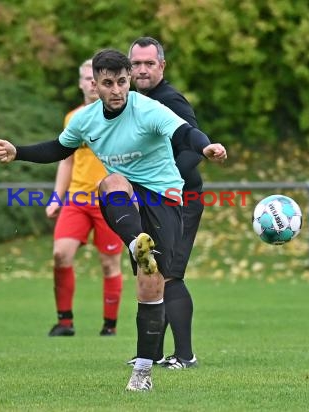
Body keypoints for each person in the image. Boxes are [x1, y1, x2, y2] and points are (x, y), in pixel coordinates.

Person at [0, 48, 227, 391]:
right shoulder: (86, 120)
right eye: (108, 83)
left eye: (121, 82)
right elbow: (58, 149)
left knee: (151, 284)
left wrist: (207, 148)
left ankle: (144, 371)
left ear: (128, 80)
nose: (116, 90)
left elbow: (184, 134)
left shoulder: (148, 108)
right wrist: (19, 153)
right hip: (128, 197)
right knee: (110, 182)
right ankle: (136, 242)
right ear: (95, 85)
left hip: (165, 198)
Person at [127, 36, 204, 369]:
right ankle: (152, 353)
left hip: (179, 199)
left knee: (170, 275)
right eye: (136, 64)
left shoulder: (170, 100)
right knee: (151, 273)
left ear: (162, 65)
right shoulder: (132, 102)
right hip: (149, 201)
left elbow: (193, 149)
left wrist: (164, 185)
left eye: (149, 63)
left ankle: (185, 355)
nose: (142, 70)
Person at [46, 59, 124, 337]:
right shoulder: (73, 118)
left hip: (110, 201)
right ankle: (64, 322)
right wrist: (57, 197)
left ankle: (109, 326)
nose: (91, 82)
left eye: (95, 77)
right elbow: (65, 161)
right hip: (77, 200)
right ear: (80, 83)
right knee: (60, 254)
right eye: (85, 78)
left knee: (109, 263)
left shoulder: (119, 116)